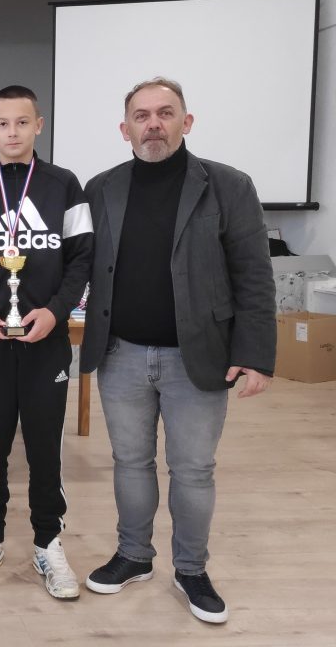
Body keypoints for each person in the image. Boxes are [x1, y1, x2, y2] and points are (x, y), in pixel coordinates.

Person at [80, 77, 275, 624]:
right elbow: (79, 264)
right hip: (120, 354)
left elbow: (254, 275)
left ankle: (191, 569)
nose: (153, 124)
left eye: (165, 113)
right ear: (125, 129)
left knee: (192, 470)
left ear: (186, 122)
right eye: (141, 116)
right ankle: (134, 555)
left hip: (199, 357)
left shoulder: (229, 186)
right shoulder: (100, 188)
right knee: (130, 462)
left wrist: (257, 354)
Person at [0, 85, 93, 600]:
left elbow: (81, 259)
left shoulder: (64, 185)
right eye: (3, 123)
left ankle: (48, 542)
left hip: (46, 343)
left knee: (46, 449)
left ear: (38, 126)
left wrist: (56, 312)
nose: (12, 132)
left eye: (22, 122)